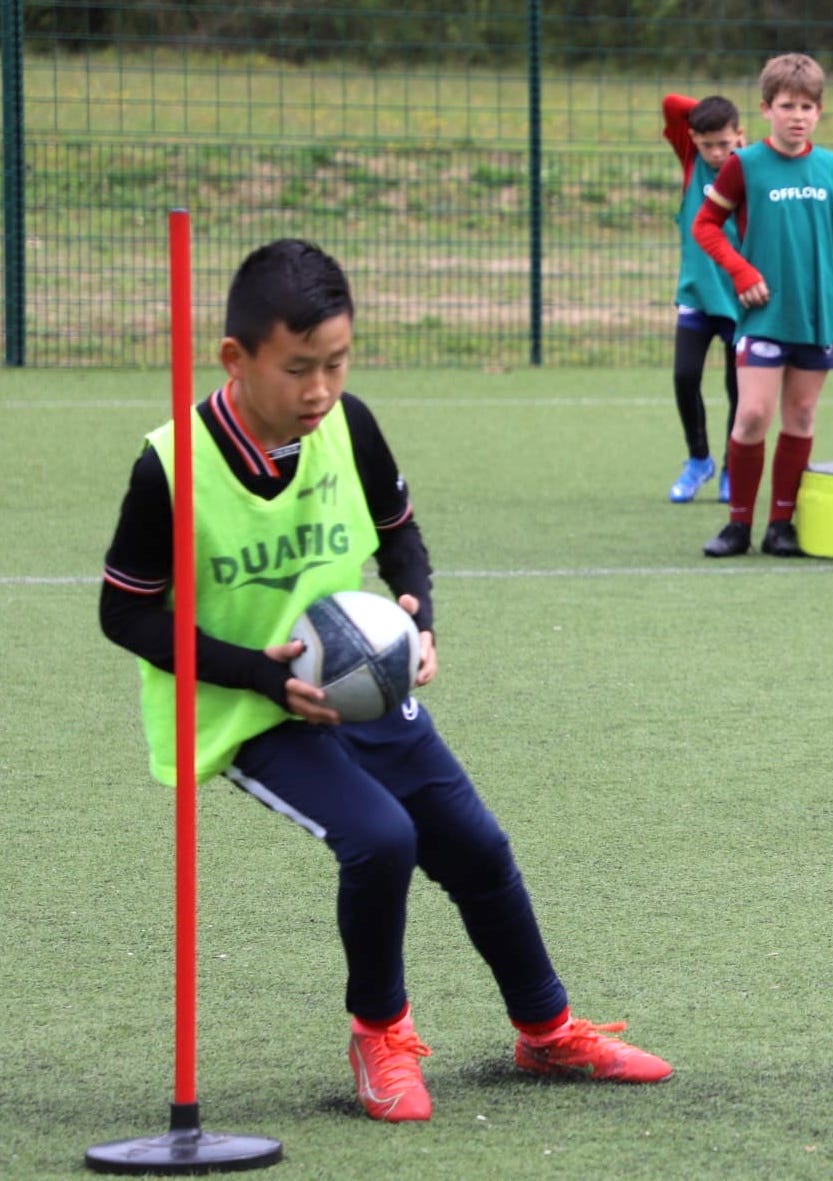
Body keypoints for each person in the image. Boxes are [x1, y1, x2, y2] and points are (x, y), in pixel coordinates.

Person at [99, 240, 672, 1124]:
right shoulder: (170, 468)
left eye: (336, 362)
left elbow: (400, 534)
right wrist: (257, 672)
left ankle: (547, 1031)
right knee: (380, 838)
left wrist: (420, 612)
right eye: (298, 370)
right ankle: (379, 1035)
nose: (320, 389)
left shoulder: (349, 424)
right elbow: (125, 614)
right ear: (235, 358)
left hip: (363, 678)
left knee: (477, 848)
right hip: (249, 706)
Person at [694, 51, 833, 558]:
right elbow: (706, 225)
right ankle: (738, 523)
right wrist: (742, 272)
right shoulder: (744, 165)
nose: (798, 115)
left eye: (807, 106)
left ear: (819, 112)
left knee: (802, 414)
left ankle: (781, 524)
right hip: (766, 314)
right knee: (752, 416)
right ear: (766, 109)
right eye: (787, 105)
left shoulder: (831, 166)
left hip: (818, 312)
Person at [661, 93, 743, 504]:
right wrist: (713, 115)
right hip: (696, 294)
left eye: (724, 143)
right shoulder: (692, 163)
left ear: (739, 136)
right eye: (707, 143)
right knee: (684, 375)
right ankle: (699, 460)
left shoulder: (752, 168)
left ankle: (733, 466)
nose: (715, 153)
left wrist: (735, 140)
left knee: (738, 387)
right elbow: (671, 103)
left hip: (741, 300)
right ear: (693, 140)